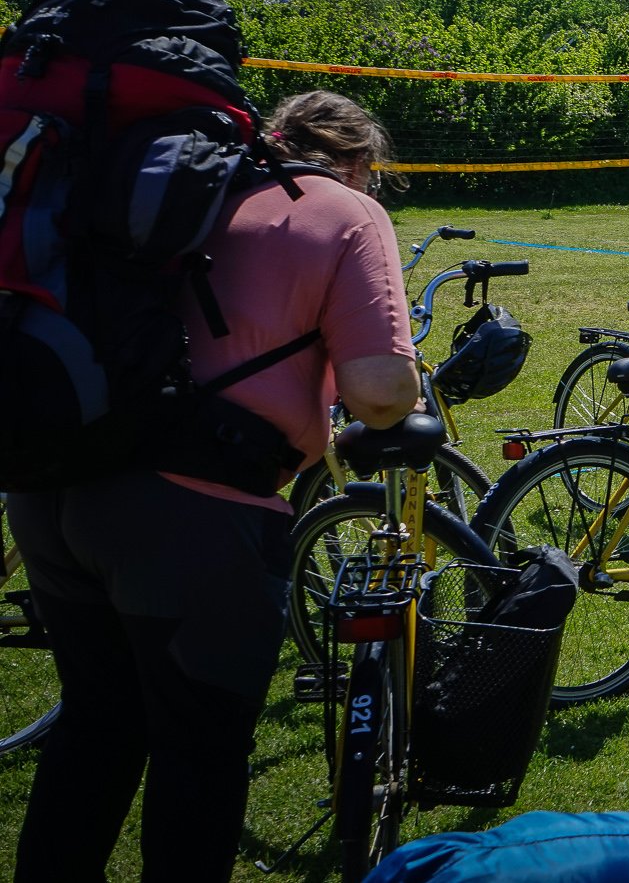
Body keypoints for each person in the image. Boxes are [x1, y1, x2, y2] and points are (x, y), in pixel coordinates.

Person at [10, 90, 418, 883]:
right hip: (196, 513)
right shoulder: (347, 211)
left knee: (98, 725)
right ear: (363, 161)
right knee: (198, 753)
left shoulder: (182, 188)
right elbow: (377, 390)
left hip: (56, 487)